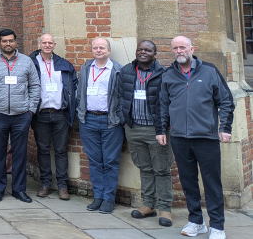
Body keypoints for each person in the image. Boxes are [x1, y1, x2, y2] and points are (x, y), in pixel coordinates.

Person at [157, 36, 234, 239]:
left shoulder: (209, 71)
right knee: (188, 181)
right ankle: (196, 221)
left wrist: (225, 128)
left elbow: (225, 101)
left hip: (206, 138)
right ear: (172, 51)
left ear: (192, 48)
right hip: (180, 138)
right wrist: (160, 130)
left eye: (183, 47)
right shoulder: (168, 75)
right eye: (175, 48)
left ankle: (217, 226)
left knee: (212, 182)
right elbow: (162, 105)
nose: (179, 51)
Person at [118, 40, 172, 226]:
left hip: (156, 130)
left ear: (154, 53)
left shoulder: (164, 73)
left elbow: (168, 102)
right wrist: (123, 118)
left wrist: (165, 126)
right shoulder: (126, 71)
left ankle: (165, 208)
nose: (143, 52)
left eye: (147, 50)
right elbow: (119, 96)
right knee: (144, 168)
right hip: (133, 128)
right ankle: (148, 204)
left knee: (162, 169)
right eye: (140, 49)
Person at [0, 29, 40, 203]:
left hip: (21, 115)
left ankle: (19, 189)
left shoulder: (26, 62)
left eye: (10, 41)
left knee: (19, 154)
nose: (8, 44)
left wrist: (30, 110)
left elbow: (35, 86)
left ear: (16, 42)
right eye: (4, 41)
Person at [76, 37, 124, 214]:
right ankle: (98, 196)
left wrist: (118, 117)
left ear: (109, 50)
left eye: (102, 48)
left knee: (111, 161)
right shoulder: (86, 68)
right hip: (88, 120)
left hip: (110, 121)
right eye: (95, 48)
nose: (98, 50)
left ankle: (109, 198)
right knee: (95, 161)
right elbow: (79, 92)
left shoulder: (117, 69)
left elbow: (122, 96)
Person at [29, 33, 78, 201]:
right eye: (44, 42)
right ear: (39, 44)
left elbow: (74, 87)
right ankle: (45, 184)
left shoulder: (64, 64)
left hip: (60, 114)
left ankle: (63, 186)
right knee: (42, 150)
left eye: (50, 43)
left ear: (54, 45)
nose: (47, 45)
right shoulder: (32, 63)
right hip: (40, 114)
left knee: (61, 151)